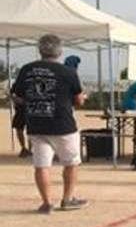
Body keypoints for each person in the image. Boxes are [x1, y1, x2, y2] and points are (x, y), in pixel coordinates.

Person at [11, 34, 88, 213]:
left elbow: (18, 96)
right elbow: (78, 101)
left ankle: (46, 203)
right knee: (71, 163)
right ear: (60, 51)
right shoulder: (68, 72)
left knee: (42, 165)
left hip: (36, 123)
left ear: (40, 50)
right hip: (63, 125)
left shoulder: (26, 69)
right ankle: (67, 199)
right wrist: (82, 97)